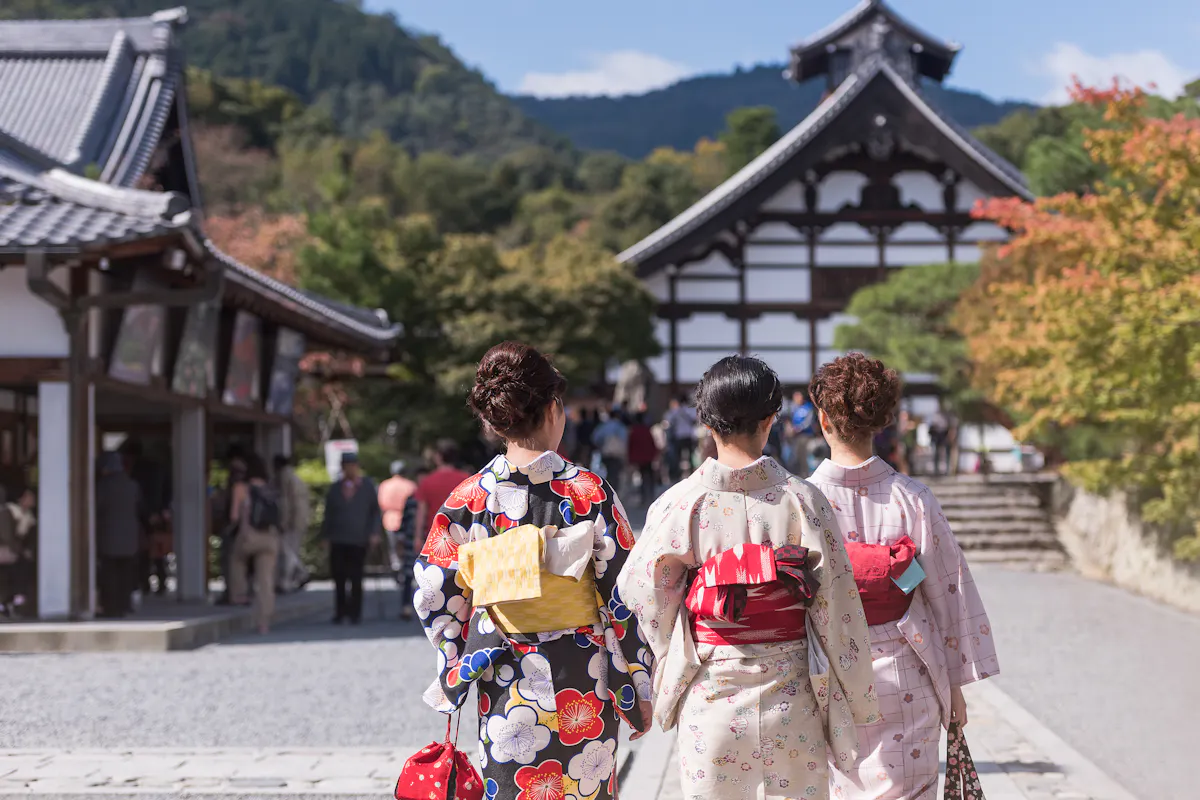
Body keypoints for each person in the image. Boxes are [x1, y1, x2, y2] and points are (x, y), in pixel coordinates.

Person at [618, 356, 880, 800]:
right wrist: (857, 697)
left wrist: (674, 648)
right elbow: (837, 604)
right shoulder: (804, 500)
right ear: (771, 418)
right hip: (792, 694)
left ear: (705, 420)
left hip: (711, 692)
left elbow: (641, 592)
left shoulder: (679, 504)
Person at [415, 341, 652, 800]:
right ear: (552, 409)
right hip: (583, 675)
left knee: (511, 787)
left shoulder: (469, 498)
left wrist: (456, 657)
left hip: (504, 674)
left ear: (493, 420)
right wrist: (639, 678)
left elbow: (432, 591)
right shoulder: (589, 492)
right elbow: (629, 590)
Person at [806, 354, 999, 800]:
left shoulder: (800, 502)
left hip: (830, 673)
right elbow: (949, 592)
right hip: (907, 667)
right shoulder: (913, 498)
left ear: (822, 419)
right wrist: (954, 686)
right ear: (884, 419)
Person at [321, 451, 381, 624]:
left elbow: (375, 512)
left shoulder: (367, 486)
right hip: (338, 538)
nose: (350, 469)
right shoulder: (335, 488)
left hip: (359, 538)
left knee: (356, 577)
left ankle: (355, 612)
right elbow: (328, 513)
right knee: (339, 577)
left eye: (352, 465)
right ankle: (340, 612)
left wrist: (374, 533)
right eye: (346, 465)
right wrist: (325, 535)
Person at [228, 454, 280, 635]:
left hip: (249, 537)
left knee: (236, 559)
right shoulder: (270, 488)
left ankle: (239, 594)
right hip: (270, 538)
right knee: (265, 581)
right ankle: (263, 624)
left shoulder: (241, 488)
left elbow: (234, 516)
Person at [95, 452, 144, 618]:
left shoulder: (103, 486)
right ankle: (125, 605)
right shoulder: (132, 485)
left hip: (109, 536)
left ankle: (111, 608)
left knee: (109, 575)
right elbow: (139, 508)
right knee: (126, 575)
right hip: (130, 538)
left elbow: (97, 508)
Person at [377, 460, 419, 620]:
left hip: (389, 518)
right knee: (407, 552)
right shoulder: (411, 485)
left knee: (394, 549)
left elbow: (381, 503)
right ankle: (403, 569)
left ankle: (396, 567)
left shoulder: (384, 485)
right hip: (406, 519)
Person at [413, 439, 470, 552]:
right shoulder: (466, 480)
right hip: (462, 536)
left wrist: (418, 537)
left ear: (438, 457)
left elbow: (421, 513)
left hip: (435, 536)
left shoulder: (427, 481)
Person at [273, 454, 311, 593]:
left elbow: (285, 501)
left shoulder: (284, 477)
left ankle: (289, 580)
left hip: (292, 519)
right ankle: (300, 574)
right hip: (301, 517)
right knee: (290, 549)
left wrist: (283, 520)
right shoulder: (295, 476)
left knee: (287, 550)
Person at [591, 407, 629, 489]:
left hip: (606, 454)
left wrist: (601, 446)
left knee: (607, 474)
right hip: (618, 455)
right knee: (615, 476)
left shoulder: (604, 426)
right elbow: (626, 440)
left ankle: (606, 492)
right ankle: (614, 493)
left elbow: (595, 438)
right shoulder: (621, 427)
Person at [626, 411, 659, 504]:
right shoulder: (646, 430)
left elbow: (631, 445)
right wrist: (655, 455)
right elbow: (652, 443)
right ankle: (651, 496)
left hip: (639, 458)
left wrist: (630, 458)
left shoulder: (634, 431)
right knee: (649, 477)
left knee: (642, 477)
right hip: (648, 457)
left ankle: (644, 498)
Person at [663, 395, 697, 482]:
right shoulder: (688, 410)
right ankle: (691, 473)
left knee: (678, 457)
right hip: (688, 436)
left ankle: (678, 475)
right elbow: (694, 419)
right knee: (690, 456)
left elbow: (668, 422)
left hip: (679, 436)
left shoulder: (674, 412)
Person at [928, 404, 952, 476]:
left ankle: (947, 470)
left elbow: (949, 427)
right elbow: (932, 427)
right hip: (936, 436)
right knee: (936, 454)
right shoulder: (935, 417)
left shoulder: (946, 416)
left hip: (944, 435)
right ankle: (936, 471)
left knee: (946, 454)